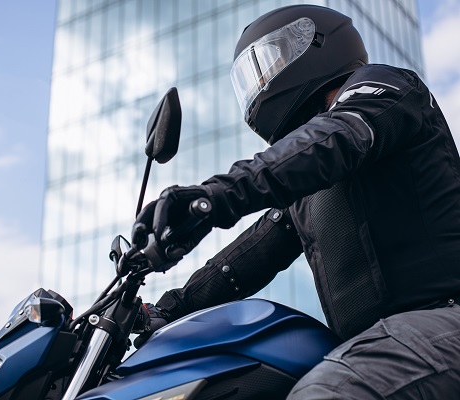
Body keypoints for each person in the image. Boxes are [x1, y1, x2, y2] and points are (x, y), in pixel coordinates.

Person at [131, 4, 460, 399]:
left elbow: (337, 138)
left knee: (327, 391)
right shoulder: (306, 188)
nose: (262, 81)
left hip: (443, 321)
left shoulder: (382, 89)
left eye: (270, 61)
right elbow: (248, 257)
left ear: (318, 42)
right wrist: (167, 310)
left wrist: (213, 197)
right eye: (253, 75)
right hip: (372, 348)